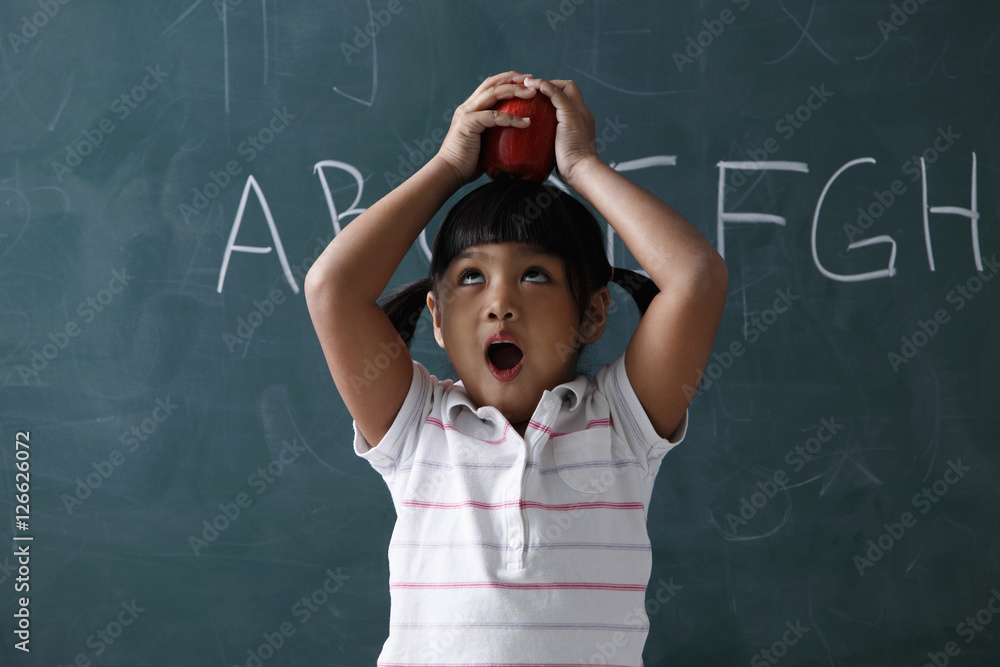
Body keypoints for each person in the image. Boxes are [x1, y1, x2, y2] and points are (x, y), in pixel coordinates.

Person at [304, 71, 728, 665]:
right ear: (439, 319)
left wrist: (580, 165)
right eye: (471, 278)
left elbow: (696, 280)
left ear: (593, 314)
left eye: (535, 276)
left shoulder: (622, 426)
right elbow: (332, 289)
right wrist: (451, 165)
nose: (500, 302)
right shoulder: (417, 428)